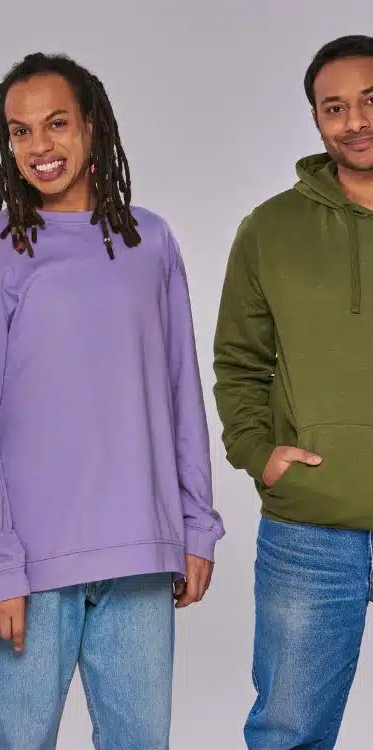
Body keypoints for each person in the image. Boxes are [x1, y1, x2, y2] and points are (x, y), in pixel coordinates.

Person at [0, 52, 225, 749]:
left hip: (139, 553)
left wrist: (196, 525)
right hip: (32, 567)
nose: (39, 146)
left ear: (91, 126)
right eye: (19, 132)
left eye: (56, 124)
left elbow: (179, 390)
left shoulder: (150, 241)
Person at [214, 34, 373, 748]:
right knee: (288, 732)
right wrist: (259, 452)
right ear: (316, 121)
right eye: (333, 107)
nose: (355, 120)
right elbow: (239, 362)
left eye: (369, 100)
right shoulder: (270, 229)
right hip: (311, 526)